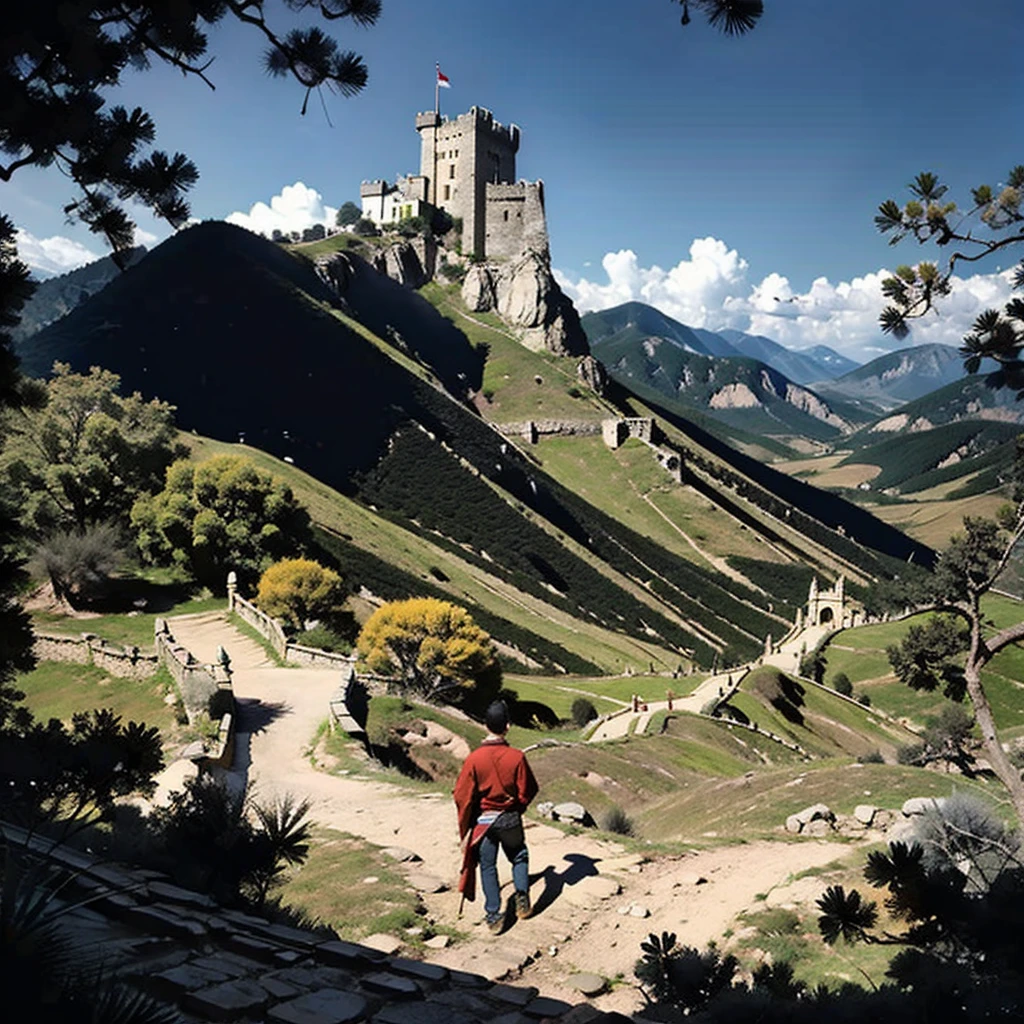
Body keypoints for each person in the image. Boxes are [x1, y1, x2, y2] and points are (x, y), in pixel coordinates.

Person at [453, 700, 539, 934]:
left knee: (487, 867)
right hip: (510, 818)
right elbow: (529, 789)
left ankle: (493, 915)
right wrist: (517, 808)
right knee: (519, 856)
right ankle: (522, 900)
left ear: (485, 725)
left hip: (484, 822)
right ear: (508, 726)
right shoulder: (517, 757)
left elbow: (462, 795)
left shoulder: (474, 759)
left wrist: (467, 823)